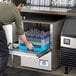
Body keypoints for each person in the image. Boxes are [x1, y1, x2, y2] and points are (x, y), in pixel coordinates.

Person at [0, 0, 33, 75]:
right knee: (4, 53)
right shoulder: (16, 13)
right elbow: (20, 33)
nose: (22, 8)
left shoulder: (2, 3)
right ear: (21, 4)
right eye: (23, 6)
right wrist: (27, 44)